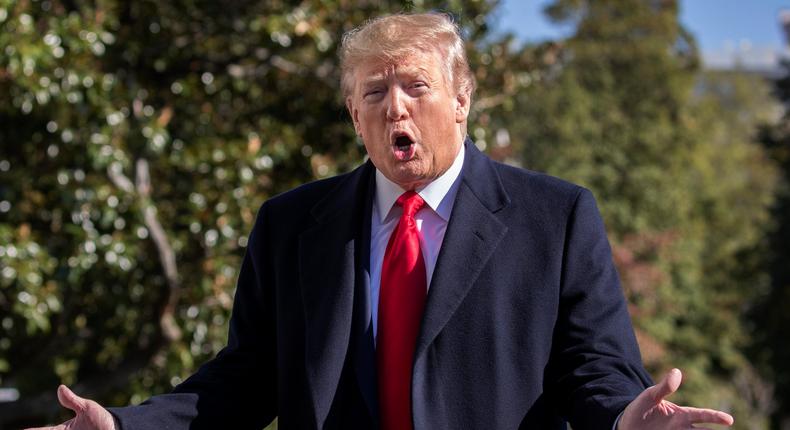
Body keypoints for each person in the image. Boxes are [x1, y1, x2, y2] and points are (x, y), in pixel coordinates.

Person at [29, 12, 735, 430]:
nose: (395, 107)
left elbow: (595, 367)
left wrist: (621, 419)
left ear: (461, 101)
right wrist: (126, 424)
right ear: (354, 116)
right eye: (375, 92)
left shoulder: (555, 217)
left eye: (416, 87)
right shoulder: (292, 225)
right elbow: (244, 381)